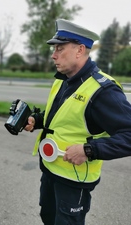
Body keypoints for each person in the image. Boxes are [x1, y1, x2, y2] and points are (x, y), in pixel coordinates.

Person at [24, 19, 131, 225]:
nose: (53, 55)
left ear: (80, 50)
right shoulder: (64, 79)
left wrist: (88, 150)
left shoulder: (103, 91)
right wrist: (36, 120)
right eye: (54, 48)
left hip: (74, 180)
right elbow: (62, 114)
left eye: (60, 48)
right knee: (48, 217)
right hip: (50, 169)